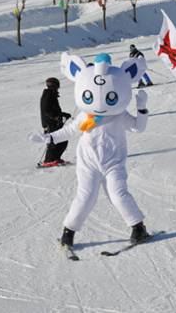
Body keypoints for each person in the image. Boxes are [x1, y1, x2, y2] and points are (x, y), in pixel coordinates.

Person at [29, 53, 152, 248]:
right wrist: (49, 137)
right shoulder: (86, 117)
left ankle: (138, 228)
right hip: (88, 162)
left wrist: (142, 108)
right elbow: (69, 130)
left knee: (118, 194)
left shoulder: (119, 114)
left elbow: (138, 127)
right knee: (86, 196)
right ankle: (68, 233)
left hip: (114, 162)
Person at [39, 77, 71, 167]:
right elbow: (46, 110)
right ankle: (48, 160)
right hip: (50, 124)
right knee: (53, 141)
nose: (58, 88)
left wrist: (63, 114)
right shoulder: (48, 95)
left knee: (63, 140)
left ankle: (55, 158)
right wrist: (56, 117)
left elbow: (53, 110)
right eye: (57, 86)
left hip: (55, 122)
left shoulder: (51, 94)